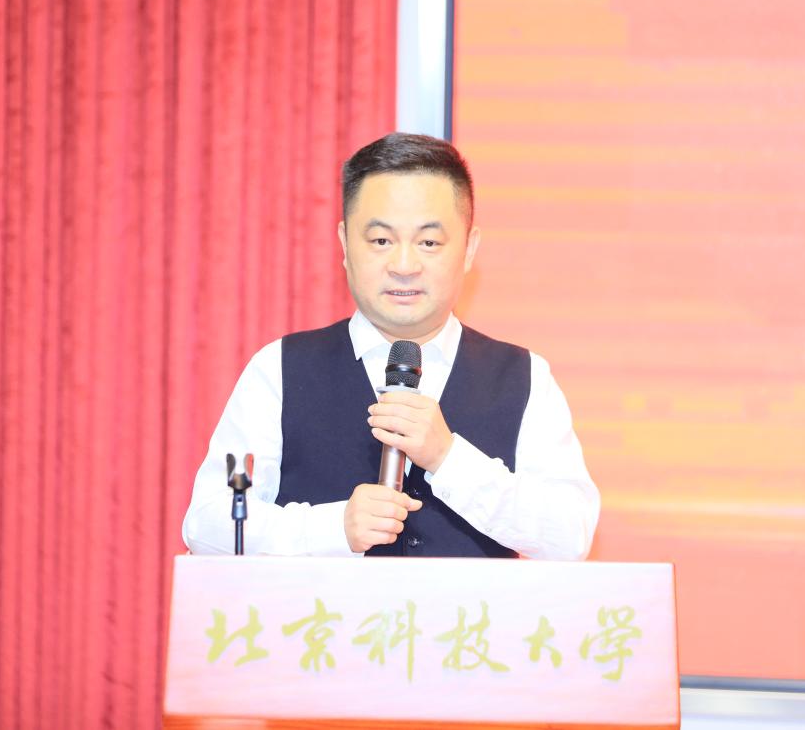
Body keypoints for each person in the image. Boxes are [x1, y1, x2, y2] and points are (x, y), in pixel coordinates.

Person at [182, 133, 599, 559]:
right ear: (345, 245)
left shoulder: (525, 377)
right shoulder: (279, 369)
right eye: (381, 241)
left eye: (429, 243)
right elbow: (210, 522)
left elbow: (571, 534)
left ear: (469, 249)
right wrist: (332, 529)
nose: (404, 266)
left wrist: (448, 458)